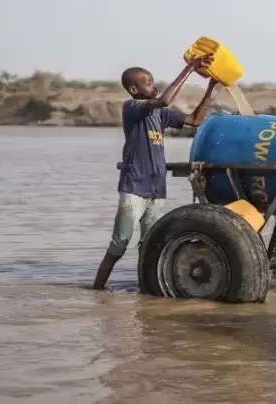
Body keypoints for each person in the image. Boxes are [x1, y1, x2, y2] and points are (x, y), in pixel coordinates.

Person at [92, 55, 218, 290]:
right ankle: (96, 292)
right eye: (148, 82)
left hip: (157, 189)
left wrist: (210, 87)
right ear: (134, 89)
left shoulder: (161, 114)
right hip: (134, 186)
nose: (154, 85)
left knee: (150, 245)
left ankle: (146, 292)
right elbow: (164, 100)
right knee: (119, 244)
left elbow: (195, 120)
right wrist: (190, 68)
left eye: (153, 81)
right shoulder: (132, 107)